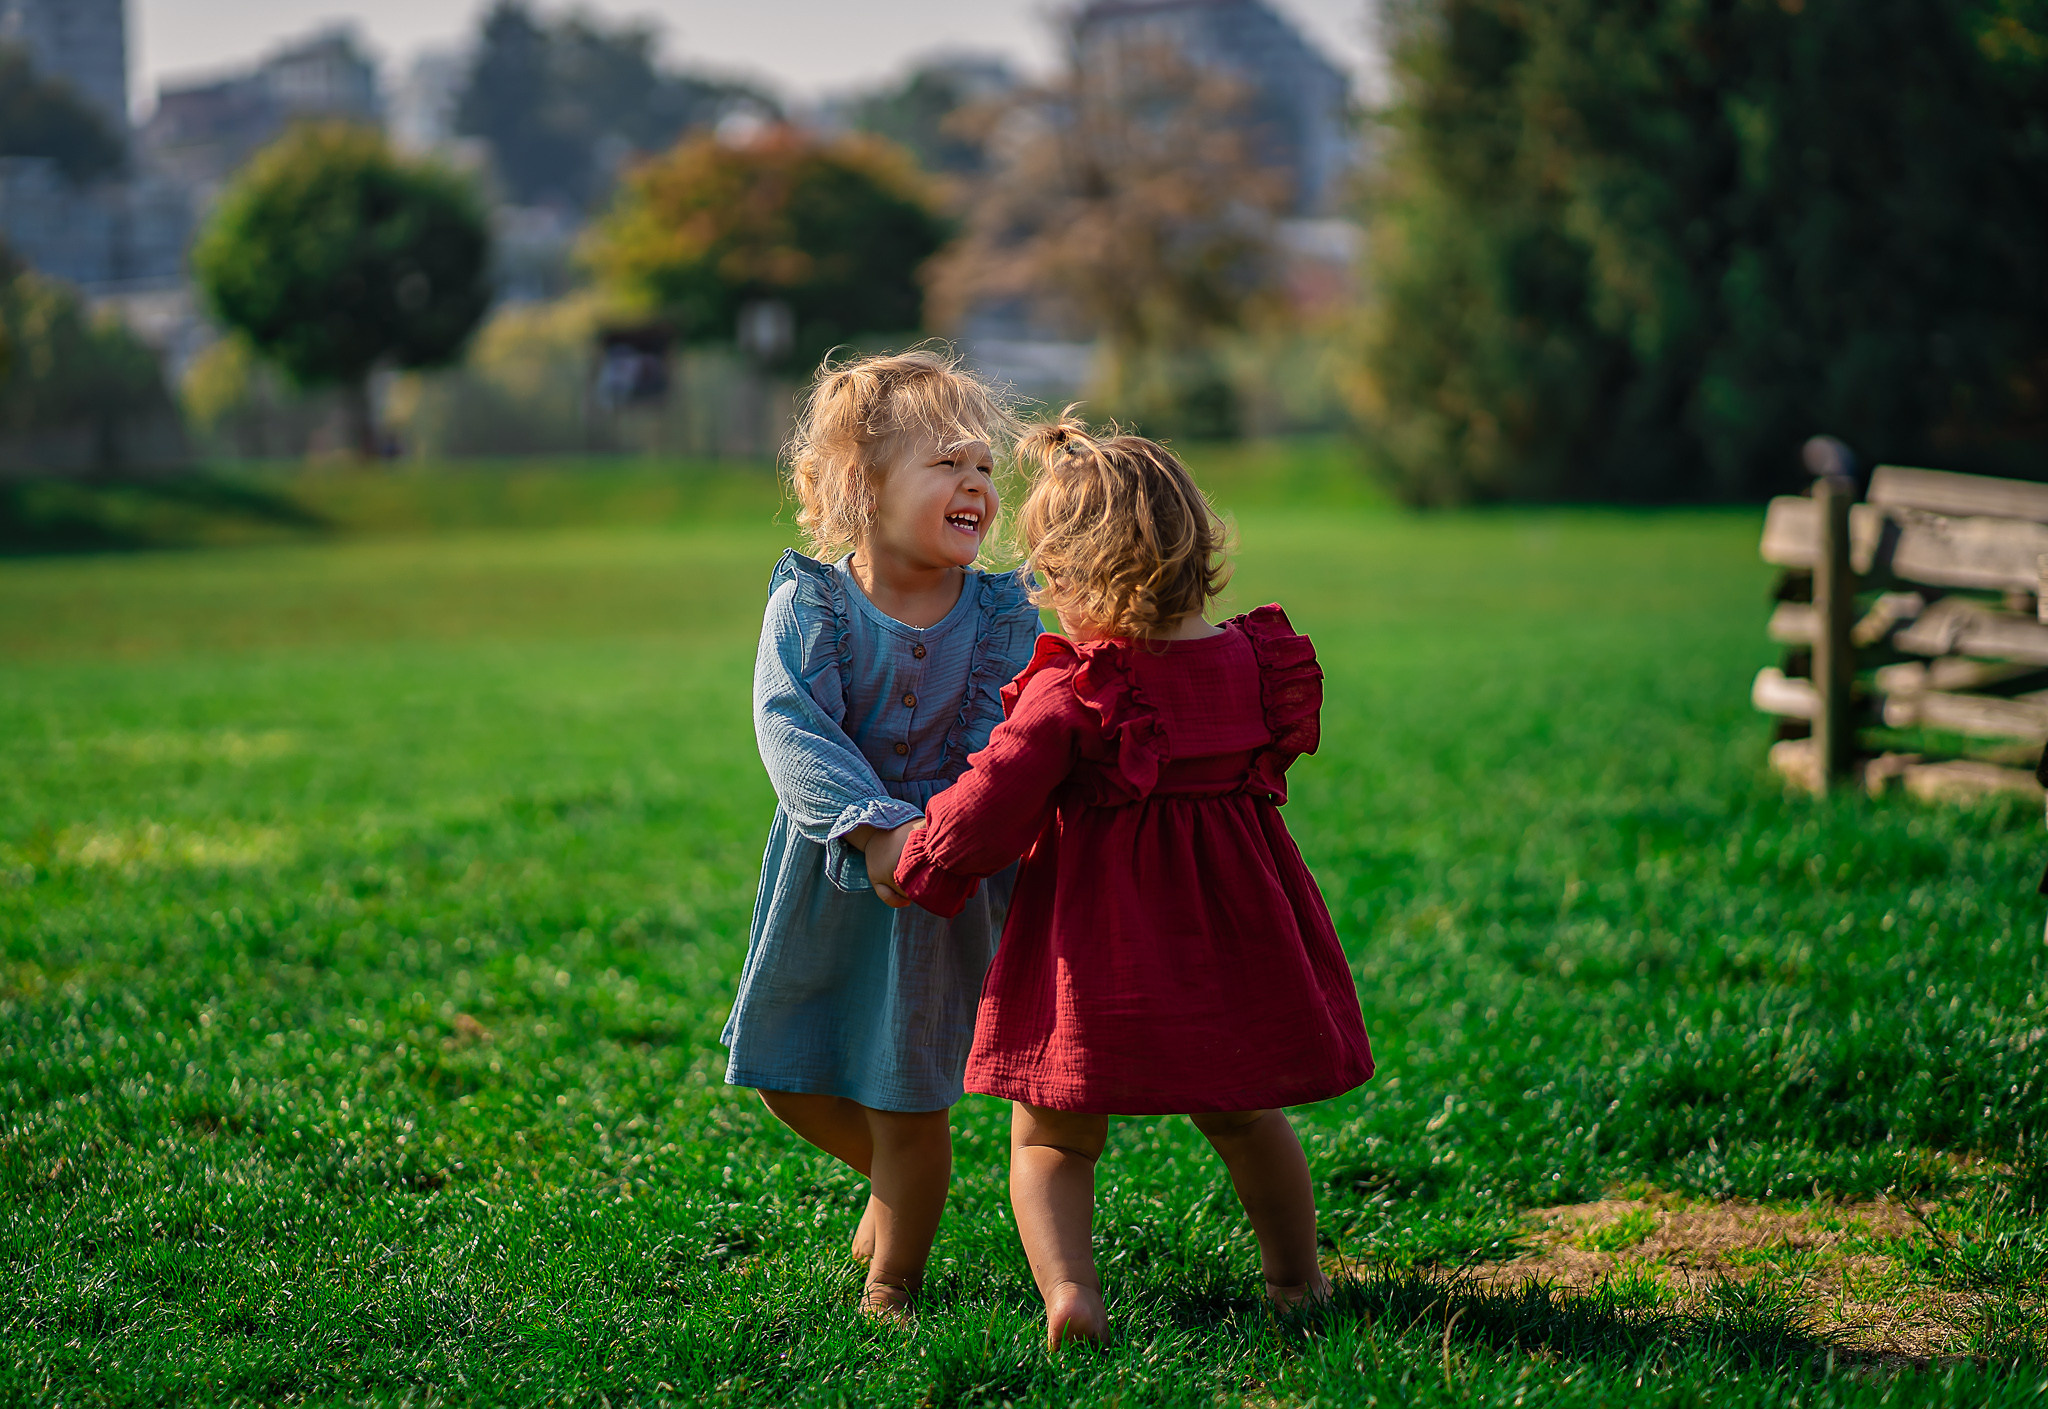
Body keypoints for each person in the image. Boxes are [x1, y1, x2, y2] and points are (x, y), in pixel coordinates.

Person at [868, 418, 1375, 1350]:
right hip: (1232, 940)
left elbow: (989, 803)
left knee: (1053, 1139)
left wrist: (920, 858)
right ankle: (1296, 1279)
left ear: (1063, 573)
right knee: (1245, 1113)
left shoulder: (1074, 693)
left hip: (1098, 951)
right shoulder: (1254, 663)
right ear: (1196, 543)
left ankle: (1071, 1293)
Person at [722, 349, 1041, 1317]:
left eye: (984, 467)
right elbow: (790, 727)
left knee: (908, 1095)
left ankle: (892, 1278)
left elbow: (1007, 737)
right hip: (831, 875)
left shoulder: (998, 613)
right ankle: (900, 1182)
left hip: (943, 885)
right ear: (863, 485)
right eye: (947, 462)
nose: (977, 485)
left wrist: (943, 837)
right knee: (783, 1070)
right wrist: (871, 829)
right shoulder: (810, 604)